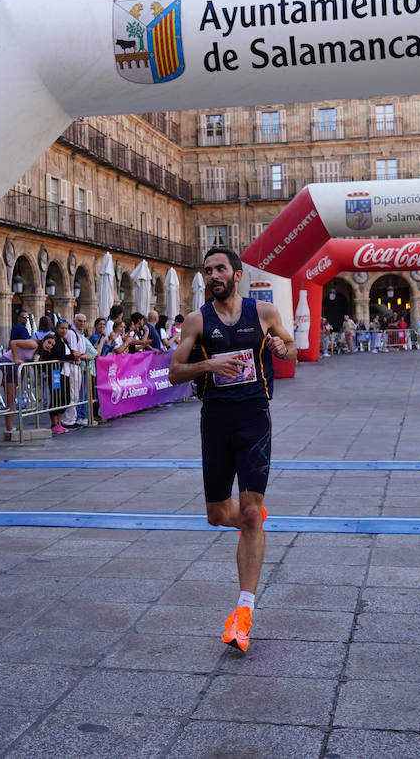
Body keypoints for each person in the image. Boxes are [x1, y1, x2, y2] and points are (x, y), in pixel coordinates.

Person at [169, 247, 296, 652]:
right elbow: (173, 372)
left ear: (237, 274)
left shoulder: (263, 314)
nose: (213, 276)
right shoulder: (197, 321)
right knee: (218, 516)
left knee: (252, 512)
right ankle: (251, 524)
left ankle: (243, 612)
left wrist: (281, 350)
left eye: (220, 269)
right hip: (216, 421)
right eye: (208, 271)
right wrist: (207, 366)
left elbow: (291, 347)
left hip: (255, 418)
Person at [35, 330, 76, 434]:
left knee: (65, 398)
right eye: (49, 343)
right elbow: (60, 356)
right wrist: (74, 357)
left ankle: (58, 423)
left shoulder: (64, 341)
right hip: (54, 373)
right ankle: (54, 424)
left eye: (52, 344)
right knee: (56, 397)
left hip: (61, 372)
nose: (50, 346)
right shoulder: (36, 345)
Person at [62, 315, 95, 427]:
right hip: (72, 365)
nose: (82, 323)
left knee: (76, 394)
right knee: (72, 394)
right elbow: (74, 352)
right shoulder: (72, 333)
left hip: (78, 365)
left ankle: (73, 418)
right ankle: (68, 420)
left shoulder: (80, 334)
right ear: (74, 321)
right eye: (80, 321)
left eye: (84, 321)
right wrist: (84, 356)